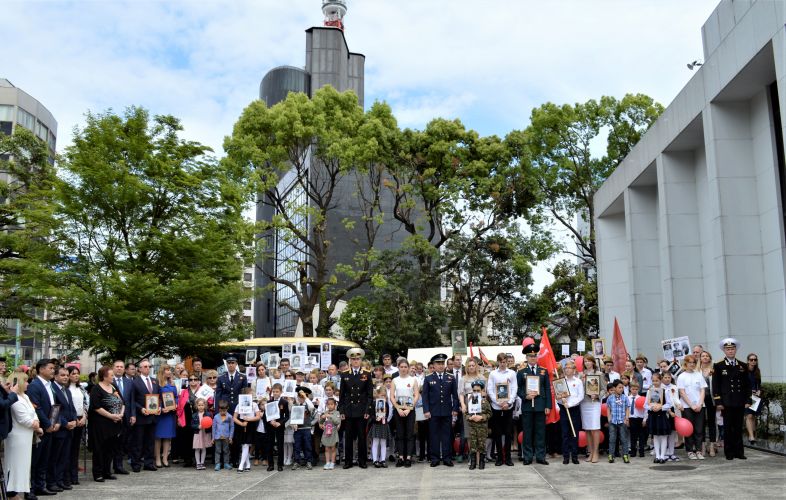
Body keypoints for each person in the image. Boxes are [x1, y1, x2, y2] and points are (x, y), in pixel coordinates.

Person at [712, 338, 751, 460]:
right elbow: (716, 385)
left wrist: (748, 400)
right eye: (728, 349)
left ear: (736, 350)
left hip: (739, 401)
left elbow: (747, 385)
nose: (730, 351)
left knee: (738, 427)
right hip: (726, 402)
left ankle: (739, 452)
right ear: (724, 350)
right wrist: (718, 401)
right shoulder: (719, 365)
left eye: (732, 349)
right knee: (728, 428)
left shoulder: (743, 365)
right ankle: (729, 452)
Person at [5, 373, 40, 500]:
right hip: (17, 436)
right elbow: (23, 418)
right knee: (15, 464)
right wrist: (35, 424)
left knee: (24, 465)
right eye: (25, 381)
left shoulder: (24, 396)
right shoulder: (14, 398)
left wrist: (35, 422)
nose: (28, 384)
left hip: (26, 435)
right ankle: (11, 492)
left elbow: (33, 412)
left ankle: (19, 490)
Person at [421, 353, 460, 467]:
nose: (441, 365)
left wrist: (455, 409)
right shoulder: (428, 378)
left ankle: (447, 458)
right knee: (434, 436)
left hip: (447, 411)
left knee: (447, 435)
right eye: (438, 363)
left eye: (442, 363)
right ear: (433, 365)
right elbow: (425, 396)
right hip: (433, 412)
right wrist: (426, 410)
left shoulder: (450, 377)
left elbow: (455, 395)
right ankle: (435, 458)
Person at [27, 358, 59, 496]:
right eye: (50, 368)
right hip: (40, 429)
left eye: (53, 368)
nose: (53, 370)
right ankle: (31, 488)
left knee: (45, 459)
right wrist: (47, 424)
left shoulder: (50, 385)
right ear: (41, 369)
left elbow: (55, 405)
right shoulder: (35, 385)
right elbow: (37, 408)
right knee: (35, 460)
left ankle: (41, 485)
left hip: (51, 427)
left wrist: (56, 422)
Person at [338, 347, 373, 469]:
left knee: (362, 437)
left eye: (358, 359)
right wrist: (341, 411)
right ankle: (348, 461)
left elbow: (370, 395)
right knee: (348, 437)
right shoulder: (344, 374)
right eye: (353, 359)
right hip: (349, 411)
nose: (356, 361)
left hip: (362, 410)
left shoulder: (367, 374)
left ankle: (362, 461)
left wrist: (368, 410)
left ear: (361, 360)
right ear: (350, 361)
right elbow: (341, 395)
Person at [517, 343, 552, 465]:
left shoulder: (543, 371)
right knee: (527, 432)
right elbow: (518, 388)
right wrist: (525, 396)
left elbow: (547, 389)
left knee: (540, 432)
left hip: (540, 405)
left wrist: (548, 406)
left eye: (534, 356)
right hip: (527, 405)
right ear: (526, 357)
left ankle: (540, 456)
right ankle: (527, 457)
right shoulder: (521, 372)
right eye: (530, 356)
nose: (533, 358)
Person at [90, 365, 125, 481]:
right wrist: (111, 416)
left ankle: (107, 471)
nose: (113, 377)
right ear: (104, 377)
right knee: (100, 449)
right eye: (111, 375)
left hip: (114, 423)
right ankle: (98, 473)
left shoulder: (114, 387)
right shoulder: (96, 389)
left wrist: (121, 414)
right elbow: (96, 407)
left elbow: (122, 402)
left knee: (110, 449)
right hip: (101, 424)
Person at [486, 352, 517, 467]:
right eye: (501, 362)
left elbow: (514, 389)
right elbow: (490, 390)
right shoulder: (493, 374)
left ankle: (508, 458)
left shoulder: (512, 373)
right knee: (497, 434)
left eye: (504, 362)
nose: (503, 364)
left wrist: (508, 402)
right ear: (498, 362)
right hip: (496, 408)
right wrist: (498, 402)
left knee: (508, 433)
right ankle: (499, 457)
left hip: (508, 407)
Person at [130, 359, 160, 472]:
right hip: (141, 416)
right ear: (140, 369)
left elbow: (159, 397)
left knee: (150, 442)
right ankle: (136, 464)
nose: (148, 368)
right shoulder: (134, 382)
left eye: (149, 366)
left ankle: (149, 463)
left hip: (152, 417)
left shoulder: (154, 381)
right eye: (145, 366)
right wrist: (140, 409)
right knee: (138, 442)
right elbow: (132, 399)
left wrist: (159, 408)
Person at [390, 358, 419, 467]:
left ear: (408, 368)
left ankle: (408, 458)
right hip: (398, 411)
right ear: (398, 368)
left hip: (410, 411)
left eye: (405, 367)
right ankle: (401, 457)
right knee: (400, 434)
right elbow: (392, 396)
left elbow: (416, 395)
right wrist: (397, 408)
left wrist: (409, 408)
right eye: (401, 367)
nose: (403, 369)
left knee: (410, 434)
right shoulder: (395, 380)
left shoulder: (413, 380)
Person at [677, 354, 707, 460]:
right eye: (690, 362)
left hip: (700, 406)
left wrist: (699, 404)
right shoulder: (681, 376)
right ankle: (690, 451)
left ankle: (698, 450)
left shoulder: (699, 374)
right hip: (687, 406)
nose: (692, 364)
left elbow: (703, 389)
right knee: (689, 429)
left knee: (699, 429)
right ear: (685, 363)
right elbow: (682, 392)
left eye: (694, 362)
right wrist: (691, 405)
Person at [556, 360, 584, 465]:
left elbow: (580, 396)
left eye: (570, 368)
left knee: (574, 433)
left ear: (574, 370)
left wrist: (571, 404)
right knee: (565, 434)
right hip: (564, 409)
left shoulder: (578, 382)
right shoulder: (561, 381)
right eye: (566, 368)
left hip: (574, 409)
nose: (567, 369)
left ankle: (575, 456)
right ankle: (566, 456)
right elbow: (558, 396)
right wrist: (560, 400)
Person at [66, 366, 89, 487]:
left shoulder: (81, 388)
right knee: (68, 449)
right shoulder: (66, 388)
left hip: (81, 418)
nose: (76, 375)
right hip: (71, 419)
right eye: (73, 373)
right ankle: (67, 476)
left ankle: (74, 475)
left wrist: (84, 417)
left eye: (77, 373)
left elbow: (85, 403)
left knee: (76, 449)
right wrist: (74, 418)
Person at [111, 360, 134, 475]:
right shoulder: (109, 381)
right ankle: (107, 466)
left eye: (121, 367)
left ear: (124, 369)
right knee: (111, 442)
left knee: (122, 442)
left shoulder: (129, 382)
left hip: (126, 416)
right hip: (113, 416)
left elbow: (132, 400)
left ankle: (118, 466)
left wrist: (133, 414)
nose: (119, 368)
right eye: (117, 366)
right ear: (113, 368)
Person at [645, 372, 672, 464]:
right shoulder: (649, 391)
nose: (655, 382)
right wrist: (651, 407)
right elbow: (645, 405)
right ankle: (657, 455)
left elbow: (669, 404)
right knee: (655, 436)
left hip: (662, 415)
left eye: (657, 380)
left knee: (663, 436)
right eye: (653, 381)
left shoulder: (665, 391)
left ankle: (662, 456)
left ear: (661, 380)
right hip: (653, 415)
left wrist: (661, 407)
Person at [154, 364, 177, 468]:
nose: (169, 372)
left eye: (169, 370)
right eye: (167, 370)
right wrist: (160, 408)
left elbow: (176, 397)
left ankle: (165, 458)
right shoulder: (157, 383)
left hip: (170, 414)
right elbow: (154, 398)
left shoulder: (172, 383)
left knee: (168, 437)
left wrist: (175, 404)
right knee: (158, 437)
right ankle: (158, 458)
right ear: (162, 371)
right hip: (160, 414)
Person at [176, 373, 201, 468]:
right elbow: (179, 406)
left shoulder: (203, 390)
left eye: (195, 379)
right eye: (191, 379)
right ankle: (188, 459)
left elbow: (209, 402)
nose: (193, 381)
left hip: (199, 416)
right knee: (186, 438)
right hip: (186, 416)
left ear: (199, 380)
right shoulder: (184, 392)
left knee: (198, 438)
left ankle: (198, 459)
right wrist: (178, 417)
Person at [465, 379, 491, 470]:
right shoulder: (470, 401)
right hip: (472, 427)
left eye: (478, 390)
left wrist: (482, 417)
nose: (476, 392)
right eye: (474, 390)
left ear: (482, 391)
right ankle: (473, 462)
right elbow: (466, 413)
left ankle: (481, 462)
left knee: (481, 445)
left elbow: (489, 413)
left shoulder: (485, 402)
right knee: (473, 445)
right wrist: (470, 417)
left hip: (482, 427)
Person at [233, 387, 261, 473]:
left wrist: (249, 419)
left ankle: (241, 465)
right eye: (249, 394)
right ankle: (248, 464)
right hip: (241, 425)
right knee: (243, 445)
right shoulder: (239, 405)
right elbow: (234, 417)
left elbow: (258, 416)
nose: (251, 395)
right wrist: (241, 423)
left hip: (250, 425)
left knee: (246, 445)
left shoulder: (254, 405)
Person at [266, 383, 289, 471]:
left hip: (279, 426)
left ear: (281, 392)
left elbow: (287, 416)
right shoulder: (269, 402)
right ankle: (271, 464)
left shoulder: (284, 402)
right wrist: (270, 421)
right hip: (270, 426)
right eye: (274, 392)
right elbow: (266, 415)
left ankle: (280, 464)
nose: (275, 393)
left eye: (277, 392)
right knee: (270, 445)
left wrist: (280, 423)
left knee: (280, 445)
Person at [606, 380, 631, 463]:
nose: (621, 389)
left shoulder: (624, 397)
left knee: (624, 439)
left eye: (622, 388)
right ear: (614, 388)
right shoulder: (610, 398)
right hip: (613, 421)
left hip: (622, 421)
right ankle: (611, 455)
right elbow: (608, 408)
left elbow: (627, 408)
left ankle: (625, 455)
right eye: (619, 387)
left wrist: (626, 418)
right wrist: (609, 418)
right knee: (612, 439)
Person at [699, 350, 717, 457]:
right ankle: (702, 446)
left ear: (710, 358)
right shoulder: (696, 370)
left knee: (711, 423)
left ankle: (711, 446)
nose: (705, 357)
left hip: (711, 399)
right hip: (700, 399)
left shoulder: (714, 370)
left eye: (707, 356)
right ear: (700, 358)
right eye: (703, 356)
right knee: (700, 423)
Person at [319, 397, 341, 470]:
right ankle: (327, 462)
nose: (330, 406)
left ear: (335, 405)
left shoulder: (337, 413)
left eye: (332, 404)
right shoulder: (325, 412)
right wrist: (321, 422)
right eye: (328, 404)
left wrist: (330, 416)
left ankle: (332, 462)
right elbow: (321, 422)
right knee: (327, 448)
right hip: (326, 433)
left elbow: (337, 421)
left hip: (333, 432)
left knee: (333, 448)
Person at [744, 353, 761, 445]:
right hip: (747, 397)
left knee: (753, 417)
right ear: (748, 361)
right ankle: (751, 436)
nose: (753, 361)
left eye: (755, 360)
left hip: (756, 397)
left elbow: (759, 384)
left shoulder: (757, 371)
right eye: (751, 360)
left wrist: (759, 391)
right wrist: (750, 392)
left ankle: (753, 435)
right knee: (749, 416)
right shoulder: (744, 371)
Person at [211, 400, 234, 471]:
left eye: (224, 411)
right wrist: (213, 438)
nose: (222, 412)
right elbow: (214, 427)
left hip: (226, 437)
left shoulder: (230, 417)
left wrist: (230, 437)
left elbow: (232, 427)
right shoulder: (216, 417)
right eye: (221, 411)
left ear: (227, 409)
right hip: (217, 437)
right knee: (217, 451)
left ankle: (226, 463)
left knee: (226, 450)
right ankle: (217, 463)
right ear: (219, 409)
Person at [191, 398, 211, 470]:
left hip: (205, 433)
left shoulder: (208, 414)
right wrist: (197, 426)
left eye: (202, 405)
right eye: (199, 405)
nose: (200, 406)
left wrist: (208, 425)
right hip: (197, 433)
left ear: (205, 405)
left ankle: (202, 462)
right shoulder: (194, 415)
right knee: (197, 448)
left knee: (203, 448)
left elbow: (210, 423)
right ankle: (198, 463)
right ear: (196, 406)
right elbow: (192, 425)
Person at [628, 381, 647, 458]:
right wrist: (626, 419)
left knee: (641, 436)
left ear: (638, 389)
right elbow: (626, 409)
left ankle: (641, 451)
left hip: (640, 419)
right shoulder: (627, 398)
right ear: (630, 389)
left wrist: (645, 419)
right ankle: (633, 451)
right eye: (633, 389)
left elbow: (646, 410)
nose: (634, 391)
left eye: (636, 389)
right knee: (633, 436)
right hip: (632, 419)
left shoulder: (642, 398)